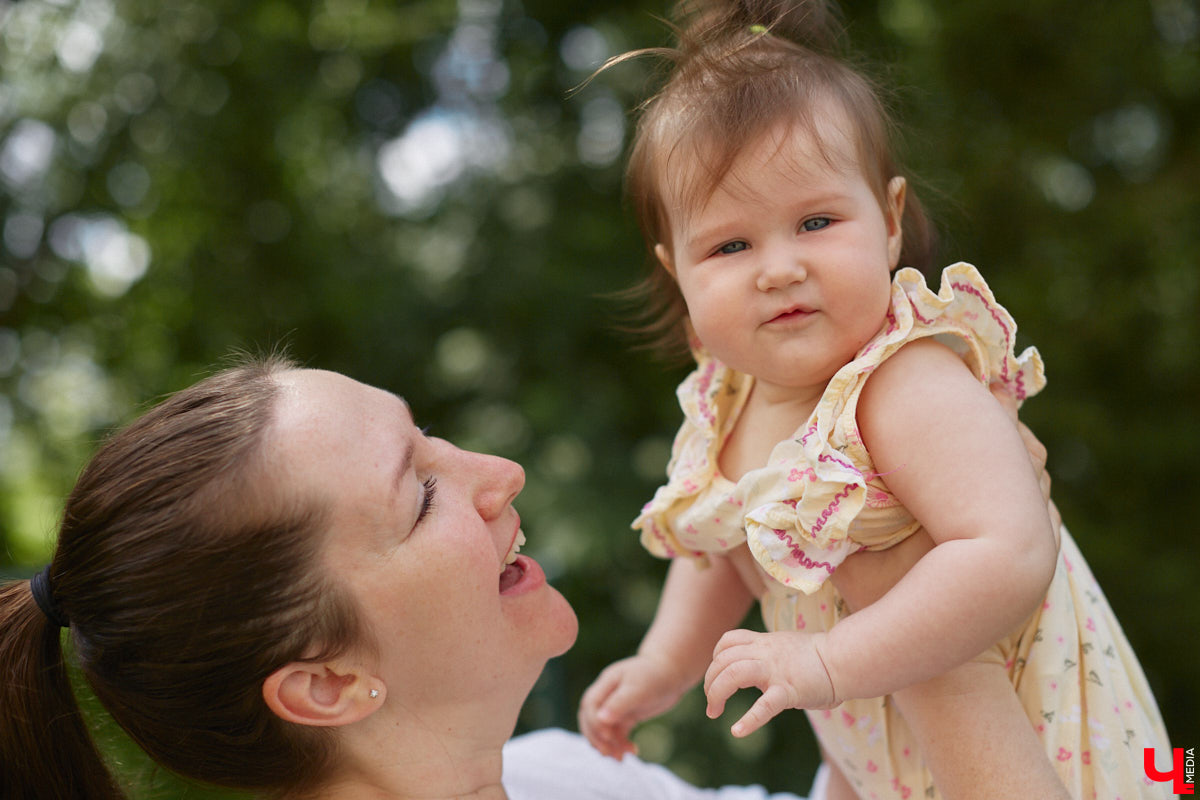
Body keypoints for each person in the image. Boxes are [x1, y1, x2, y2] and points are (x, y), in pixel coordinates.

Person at [577, 2, 1171, 798]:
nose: (779, 267)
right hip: (888, 758)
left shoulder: (899, 382)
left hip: (1048, 749)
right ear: (675, 269)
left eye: (816, 221)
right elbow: (729, 539)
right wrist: (666, 662)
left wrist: (826, 662)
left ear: (889, 221)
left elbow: (1008, 551)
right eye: (730, 245)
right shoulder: (732, 401)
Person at [0, 355, 828, 800]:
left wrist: (858, 613)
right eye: (423, 494)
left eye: (430, 434)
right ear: (326, 683)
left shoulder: (561, 776)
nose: (501, 472)